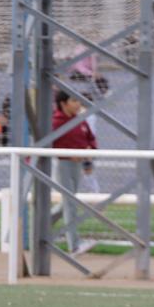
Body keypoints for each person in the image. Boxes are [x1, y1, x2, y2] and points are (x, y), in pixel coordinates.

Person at [51, 91, 99, 256]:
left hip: (77, 166)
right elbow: (49, 143)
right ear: (63, 104)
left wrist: (90, 150)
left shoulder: (80, 120)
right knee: (70, 203)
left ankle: (38, 227)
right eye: (74, 101)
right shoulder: (56, 122)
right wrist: (66, 154)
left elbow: (90, 138)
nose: (78, 104)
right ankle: (75, 245)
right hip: (63, 165)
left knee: (66, 204)